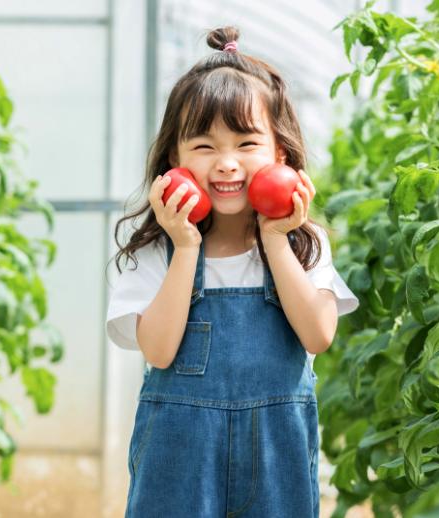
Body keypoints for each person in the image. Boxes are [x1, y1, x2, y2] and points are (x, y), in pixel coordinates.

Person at [106, 26, 359, 518]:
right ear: (173, 160)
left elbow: (318, 333)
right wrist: (184, 246)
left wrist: (273, 239)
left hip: (276, 459)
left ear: (279, 154)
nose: (225, 164)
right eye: (203, 147)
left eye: (247, 143)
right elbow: (158, 351)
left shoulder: (304, 246)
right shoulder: (157, 249)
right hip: (179, 461)